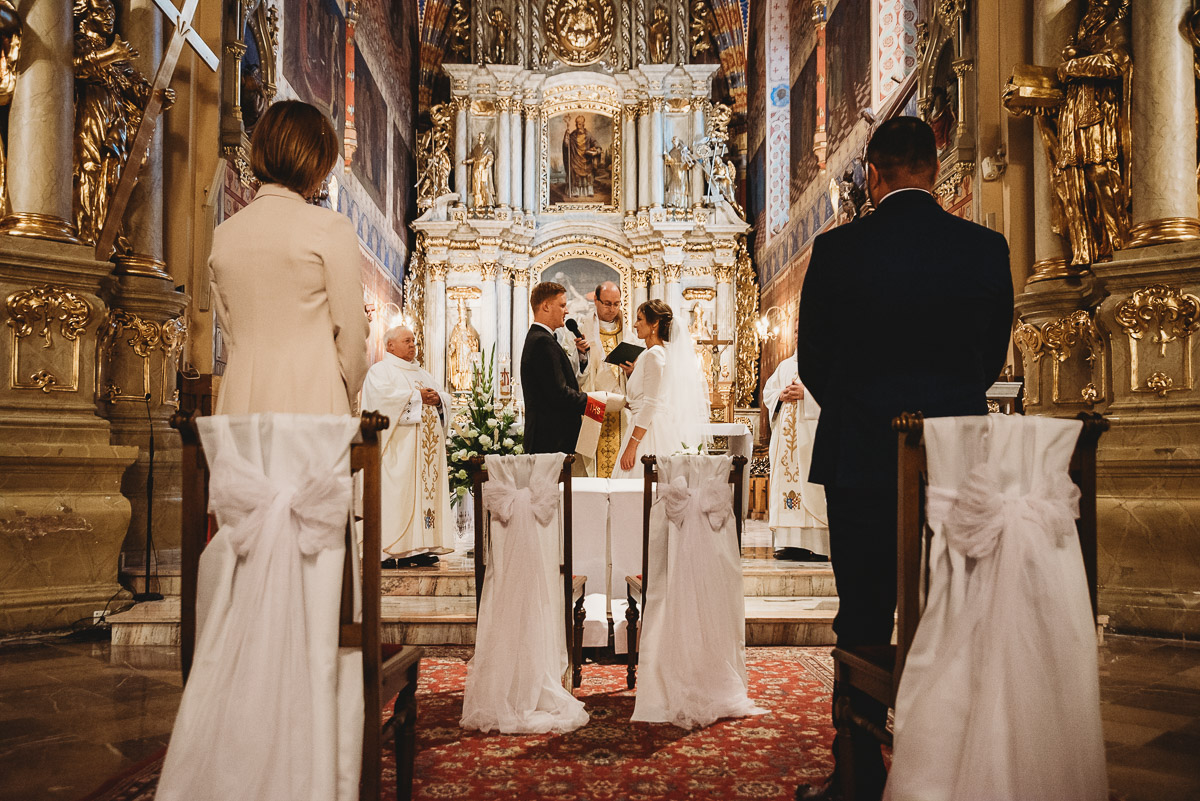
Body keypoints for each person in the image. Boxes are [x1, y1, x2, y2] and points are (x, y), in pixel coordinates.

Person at [794, 117, 1013, 801]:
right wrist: (940, 409)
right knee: (956, 610)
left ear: (873, 173)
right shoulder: (983, 248)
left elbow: (814, 365)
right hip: (956, 459)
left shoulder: (835, 252)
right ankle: (952, 767)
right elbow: (989, 356)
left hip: (862, 457)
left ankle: (857, 776)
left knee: (861, 616)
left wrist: (871, 412)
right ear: (935, 163)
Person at [208, 100, 369, 415]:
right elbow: (352, 336)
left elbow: (230, 333)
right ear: (316, 161)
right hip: (312, 406)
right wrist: (342, 396)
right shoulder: (330, 228)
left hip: (239, 404)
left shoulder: (224, 234)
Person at [359, 326, 456, 568]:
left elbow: (442, 395)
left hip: (424, 457)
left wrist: (439, 400)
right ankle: (387, 551)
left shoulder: (422, 373)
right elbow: (381, 401)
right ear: (390, 346)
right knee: (397, 497)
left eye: (413, 340)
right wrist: (416, 397)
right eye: (407, 341)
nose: (413, 344)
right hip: (397, 452)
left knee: (421, 497)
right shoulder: (380, 372)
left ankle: (417, 548)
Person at [611, 300, 710, 479]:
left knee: (640, 486)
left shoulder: (654, 355)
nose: (635, 324)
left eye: (640, 319)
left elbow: (650, 404)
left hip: (648, 432)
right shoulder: (654, 354)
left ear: (654, 323)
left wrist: (632, 446)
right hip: (648, 424)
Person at [565, 281, 636, 477]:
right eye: (606, 303)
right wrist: (582, 357)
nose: (612, 309)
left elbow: (639, 376)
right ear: (595, 300)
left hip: (621, 413)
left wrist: (631, 372)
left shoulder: (628, 336)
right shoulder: (582, 332)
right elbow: (575, 375)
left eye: (616, 304)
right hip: (594, 409)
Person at [762, 351, 828, 561]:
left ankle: (816, 545)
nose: (798, 335)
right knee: (787, 485)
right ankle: (788, 542)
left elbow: (833, 395)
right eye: (796, 331)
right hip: (786, 442)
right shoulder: (784, 366)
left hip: (811, 437)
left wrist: (806, 395)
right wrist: (780, 396)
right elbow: (768, 393)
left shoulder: (823, 363)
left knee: (811, 486)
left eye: (802, 330)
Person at [520, 282, 590, 456]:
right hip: (550, 441)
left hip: (550, 439)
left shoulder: (541, 338)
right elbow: (558, 393)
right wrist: (594, 403)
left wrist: (581, 356)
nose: (566, 311)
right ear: (546, 306)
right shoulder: (542, 341)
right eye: (562, 305)